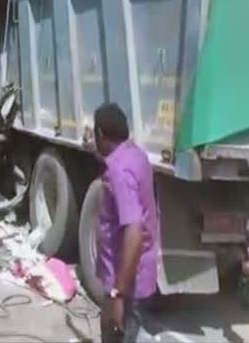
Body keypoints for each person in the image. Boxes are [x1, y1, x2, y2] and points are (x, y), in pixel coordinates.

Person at [84, 103, 160, 343]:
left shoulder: (118, 172)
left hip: (126, 284)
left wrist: (118, 294)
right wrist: (94, 152)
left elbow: (134, 232)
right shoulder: (135, 155)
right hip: (137, 277)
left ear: (100, 134)